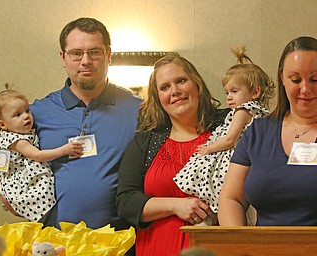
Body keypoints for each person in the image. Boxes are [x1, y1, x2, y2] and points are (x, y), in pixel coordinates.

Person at [29, 18, 142, 229]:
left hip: (119, 243)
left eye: (95, 52)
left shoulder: (140, 111)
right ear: (63, 57)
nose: (85, 61)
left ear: (109, 55)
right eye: (76, 53)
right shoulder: (36, 113)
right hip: (54, 243)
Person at [116, 54, 230, 256]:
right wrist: (177, 205)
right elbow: (126, 202)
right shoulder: (146, 141)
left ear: (196, 83)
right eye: (165, 87)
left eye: (181, 81)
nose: (175, 91)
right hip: (157, 248)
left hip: (218, 248)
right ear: (158, 97)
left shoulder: (227, 127)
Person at [218, 36, 317, 226]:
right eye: (296, 79)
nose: (305, 89)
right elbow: (232, 199)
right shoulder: (258, 132)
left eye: (315, 79)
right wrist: (239, 249)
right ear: (282, 79)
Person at [174, 47, 274, 225]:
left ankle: (210, 213)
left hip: (232, 156)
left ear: (255, 92)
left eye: (235, 91)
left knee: (210, 178)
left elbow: (230, 139)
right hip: (251, 158)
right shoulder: (263, 114)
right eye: (227, 92)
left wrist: (208, 148)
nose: (228, 97)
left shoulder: (243, 111)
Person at [0, 88, 83, 222]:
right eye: (17, 114)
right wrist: (64, 150)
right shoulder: (16, 140)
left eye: (27, 111)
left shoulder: (23, 132)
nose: (26, 116)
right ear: (2, 124)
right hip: (21, 183)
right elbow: (37, 156)